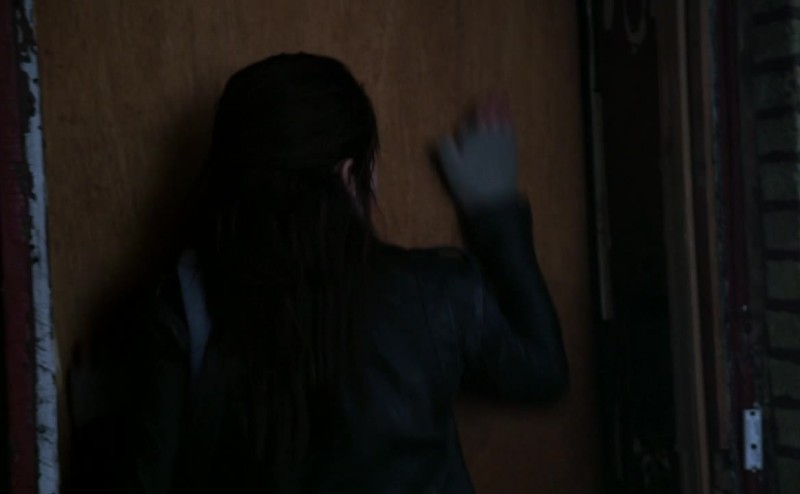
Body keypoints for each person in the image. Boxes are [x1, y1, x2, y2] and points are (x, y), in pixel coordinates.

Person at [112, 52, 568, 493]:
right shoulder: (431, 293)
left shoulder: (182, 308)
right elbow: (541, 371)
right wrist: (495, 206)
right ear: (349, 176)